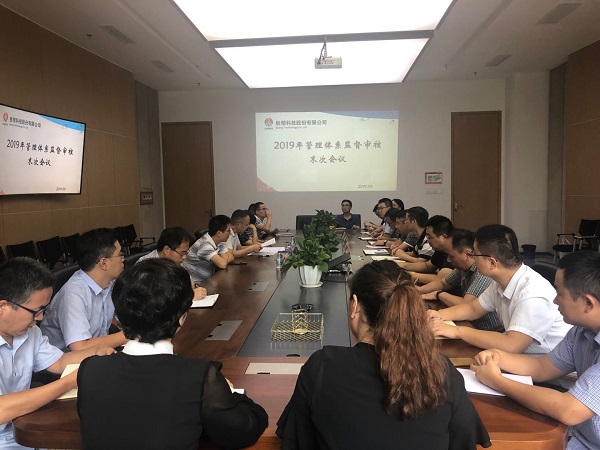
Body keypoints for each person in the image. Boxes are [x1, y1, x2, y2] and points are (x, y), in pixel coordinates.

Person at [276, 260, 490, 449]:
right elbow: (463, 441)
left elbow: (296, 439)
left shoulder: (322, 367)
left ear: (355, 306)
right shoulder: (441, 371)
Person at [77, 259, 268, 450]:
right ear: (181, 318)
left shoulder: (89, 370)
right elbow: (246, 430)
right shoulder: (200, 378)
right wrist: (227, 391)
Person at [471, 250, 600, 449]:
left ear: (588, 303)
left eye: (560, 293)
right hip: (576, 434)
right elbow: (542, 367)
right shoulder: (581, 331)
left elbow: (569, 410)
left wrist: (497, 380)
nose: (555, 300)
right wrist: (499, 357)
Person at [0, 258, 114, 450]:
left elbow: (59, 362)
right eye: (36, 311)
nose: (40, 318)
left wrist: (96, 353)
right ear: (3, 307)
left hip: (25, 429)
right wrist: (69, 382)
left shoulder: (30, 332)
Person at [428, 224, 571, 354]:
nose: (473, 259)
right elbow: (473, 309)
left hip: (546, 367)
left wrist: (457, 331)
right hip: (520, 357)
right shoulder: (501, 281)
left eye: (475, 254)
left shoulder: (532, 294)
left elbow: (511, 345)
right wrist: (437, 315)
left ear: (492, 263)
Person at [41, 228, 127, 352]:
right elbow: (80, 347)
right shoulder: (74, 294)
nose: (123, 259)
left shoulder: (109, 284)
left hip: (98, 353)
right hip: (66, 360)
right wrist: (130, 335)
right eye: (120, 254)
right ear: (104, 263)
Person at [419, 229, 502, 331]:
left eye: (451, 256)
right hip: (470, 323)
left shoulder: (483, 273)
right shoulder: (463, 268)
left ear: (467, 254)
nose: (448, 260)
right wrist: (420, 291)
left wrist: (439, 294)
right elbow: (443, 283)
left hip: (487, 330)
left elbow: (466, 305)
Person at [136, 226, 207, 299]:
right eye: (182, 253)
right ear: (167, 249)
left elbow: (190, 284)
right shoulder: (145, 266)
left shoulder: (174, 261)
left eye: (186, 253)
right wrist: (188, 296)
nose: (184, 257)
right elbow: (153, 298)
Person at [398, 215, 454, 284]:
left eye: (429, 237)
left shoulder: (454, 250)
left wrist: (408, 275)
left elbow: (440, 279)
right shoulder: (441, 248)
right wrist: (401, 266)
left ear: (443, 237)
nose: (428, 240)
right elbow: (428, 266)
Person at [182, 215, 234, 283]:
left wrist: (220, 260)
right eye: (228, 230)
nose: (230, 233)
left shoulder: (218, 242)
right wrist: (221, 259)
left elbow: (231, 257)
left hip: (208, 280)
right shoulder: (205, 245)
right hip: (196, 283)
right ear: (219, 233)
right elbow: (222, 264)